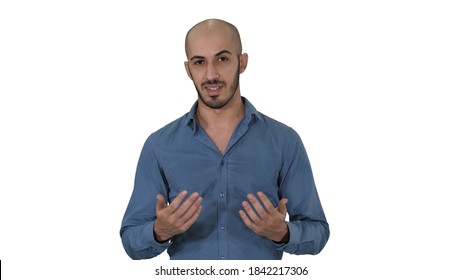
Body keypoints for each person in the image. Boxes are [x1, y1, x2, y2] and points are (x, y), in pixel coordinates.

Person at [120, 18, 329, 260]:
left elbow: (318, 232)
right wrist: (158, 232)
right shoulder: (159, 146)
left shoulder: (285, 141)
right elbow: (131, 240)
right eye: (199, 62)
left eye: (222, 59)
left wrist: (283, 233)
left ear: (242, 62)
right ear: (188, 70)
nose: (211, 74)